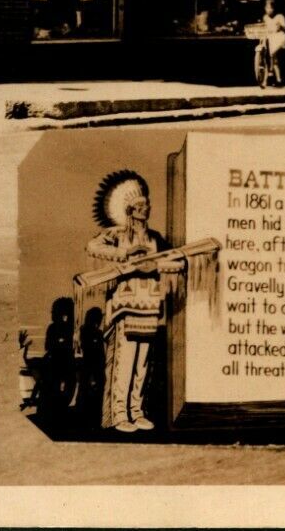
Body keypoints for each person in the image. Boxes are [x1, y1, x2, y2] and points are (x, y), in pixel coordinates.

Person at [84, 171, 183, 432]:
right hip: (124, 308)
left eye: (147, 205)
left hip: (149, 307)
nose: (145, 209)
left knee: (142, 363)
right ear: (129, 209)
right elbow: (93, 247)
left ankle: (137, 411)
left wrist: (154, 265)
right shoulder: (115, 235)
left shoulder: (155, 238)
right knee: (124, 363)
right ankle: (119, 414)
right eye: (140, 206)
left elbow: (177, 259)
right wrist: (126, 254)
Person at [256, 0, 285, 87]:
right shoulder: (265, 17)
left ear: (274, 9)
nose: (269, 10)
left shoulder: (279, 16)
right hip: (270, 38)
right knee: (273, 59)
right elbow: (264, 28)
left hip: (279, 37)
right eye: (267, 8)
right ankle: (278, 79)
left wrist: (281, 25)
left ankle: (267, 79)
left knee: (271, 55)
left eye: (271, 8)